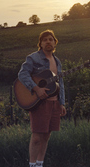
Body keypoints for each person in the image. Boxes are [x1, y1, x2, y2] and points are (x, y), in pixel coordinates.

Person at [18, 29, 66, 167]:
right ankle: (32, 165)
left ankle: (40, 164)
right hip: (39, 103)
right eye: (45, 40)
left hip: (54, 103)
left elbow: (60, 83)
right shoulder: (33, 58)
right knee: (37, 137)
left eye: (50, 39)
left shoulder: (57, 61)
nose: (48, 42)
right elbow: (22, 75)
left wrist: (62, 103)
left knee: (46, 136)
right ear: (40, 43)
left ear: (55, 42)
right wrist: (36, 88)